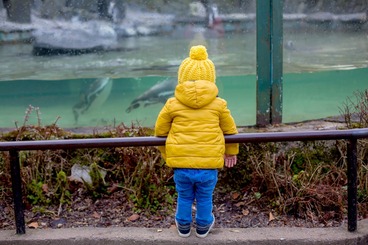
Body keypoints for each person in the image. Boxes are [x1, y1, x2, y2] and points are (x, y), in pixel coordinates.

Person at [154, 45, 239, 238]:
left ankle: (183, 226)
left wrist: (168, 154)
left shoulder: (171, 104)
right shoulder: (219, 104)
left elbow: (160, 133)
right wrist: (231, 151)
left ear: (181, 77)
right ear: (211, 79)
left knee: (184, 196)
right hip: (208, 165)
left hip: (181, 165)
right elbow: (230, 130)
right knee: (204, 197)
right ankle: (203, 226)